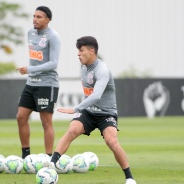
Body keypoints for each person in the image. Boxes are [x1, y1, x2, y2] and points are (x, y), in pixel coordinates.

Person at [48, 36, 137, 184]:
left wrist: (75, 109)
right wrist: (81, 111)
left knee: (112, 141)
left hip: (106, 113)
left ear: (91, 51)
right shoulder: (83, 67)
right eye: (78, 51)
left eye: (81, 50)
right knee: (72, 130)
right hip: (88, 112)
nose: (78, 54)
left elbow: (96, 95)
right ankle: (51, 164)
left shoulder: (102, 70)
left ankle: (129, 178)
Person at [16, 6, 60, 159]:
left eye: (39, 17)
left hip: (47, 84)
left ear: (47, 20)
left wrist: (30, 69)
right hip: (31, 83)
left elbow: (53, 63)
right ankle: (25, 156)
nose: (34, 19)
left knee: (46, 121)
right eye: (34, 16)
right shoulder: (30, 33)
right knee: (21, 117)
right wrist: (30, 71)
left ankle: (49, 159)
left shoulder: (53, 36)